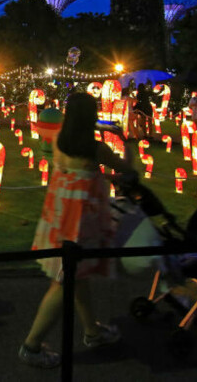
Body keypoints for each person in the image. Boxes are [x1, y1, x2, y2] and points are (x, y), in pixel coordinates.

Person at [19, 92, 136, 368]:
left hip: (58, 217)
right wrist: (127, 140)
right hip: (80, 223)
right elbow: (128, 169)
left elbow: (76, 175)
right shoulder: (96, 149)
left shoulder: (60, 141)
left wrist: (99, 175)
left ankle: (92, 332)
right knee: (63, 283)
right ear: (91, 117)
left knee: (76, 276)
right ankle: (31, 345)